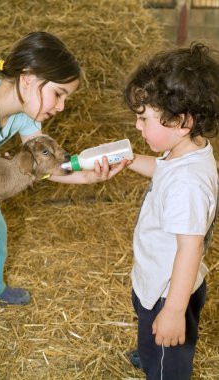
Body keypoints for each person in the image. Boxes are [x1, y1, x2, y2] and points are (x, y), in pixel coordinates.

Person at [0, 31, 126, 372]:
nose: (61, 106)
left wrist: (87, 175)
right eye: (58, 93)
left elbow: (44, 161)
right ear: (28, 80)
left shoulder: (22, 112)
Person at [119, 43, 219, 380]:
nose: (137, 126)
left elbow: (190, 247)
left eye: (144, 118)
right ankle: (150, 353)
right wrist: (130, 160)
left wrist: (174, 311)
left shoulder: (188, 183)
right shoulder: (184, 153)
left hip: (169, 292)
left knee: (168, 365)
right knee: (150, 335)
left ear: (181, 121)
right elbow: (163, 171)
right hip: (156, 281)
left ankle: (159, 363)